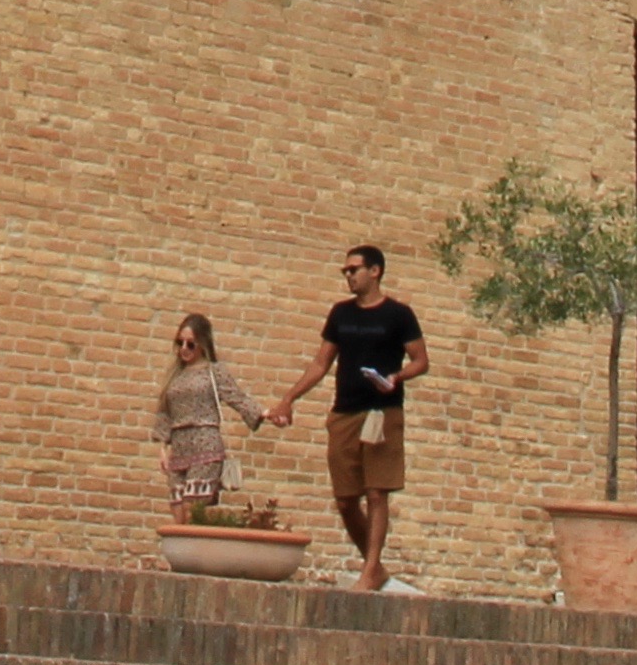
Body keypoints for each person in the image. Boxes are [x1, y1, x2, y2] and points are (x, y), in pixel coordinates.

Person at [264, 241, 429, 590]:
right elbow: (321, 362)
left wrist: (396, 378)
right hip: (345, 412)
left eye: (353, 270)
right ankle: (376, 566)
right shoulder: (341, 314)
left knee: (376, 493)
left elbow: (420, 360)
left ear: (375, 271)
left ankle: (369, 570)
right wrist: (288, 399)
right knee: (345, 499)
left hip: (382, 412)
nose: (348, 276)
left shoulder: (398, 315)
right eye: (345, 271)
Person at [152, 312, 257, 516]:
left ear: (202, 344)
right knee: (177, 512)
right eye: (179, 343)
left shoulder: (213, 371)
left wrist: (263, 413)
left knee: (191, 510)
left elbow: (237, 397)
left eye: (190, 344)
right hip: (179, 449)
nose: (184, 349)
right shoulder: (174, 375)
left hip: (205, 445)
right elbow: (165, 412)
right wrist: (163, 448)